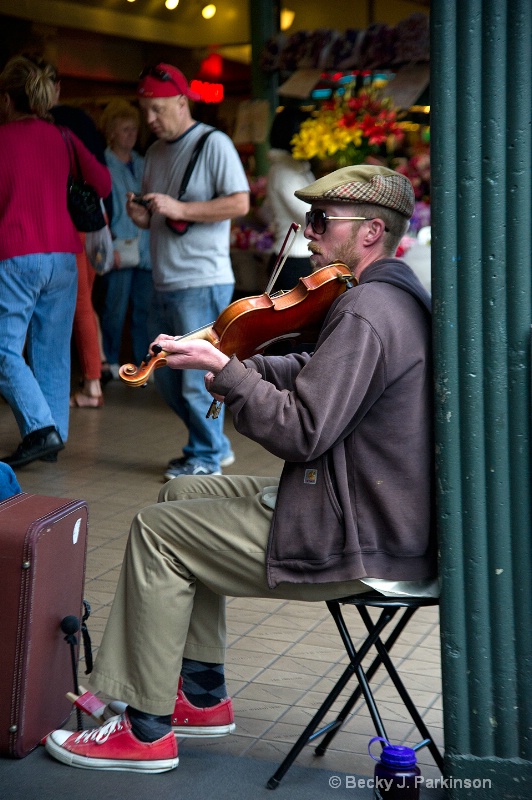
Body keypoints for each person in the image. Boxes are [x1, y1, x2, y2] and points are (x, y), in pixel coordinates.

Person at [44, 164, 437, 774]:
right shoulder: (386, 297)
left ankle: (144, 730)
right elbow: (319, 377)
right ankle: (201, 694)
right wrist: (225, 358)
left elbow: (303, 431)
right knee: (184, 494)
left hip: (363, 538)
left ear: (368, 233)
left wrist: (228, 374)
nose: (307, 232)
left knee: (156, 530)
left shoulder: (367, 313)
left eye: (321, 221)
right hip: (363, 506)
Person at [127, 63, 250, 481]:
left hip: (202, 280)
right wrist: (140, 216)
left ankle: (204, 457)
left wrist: (181, 209)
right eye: (145, 109)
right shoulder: (156, 152)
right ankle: (214, 444)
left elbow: (239, 203)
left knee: (197, 379)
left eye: (158, 109)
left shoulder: (214, 144)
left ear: (182, 102)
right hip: (162, 279)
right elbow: (155, 220)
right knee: (161, 376)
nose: (150, 120)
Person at [0, 55, 111, 467]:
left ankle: (39, 428)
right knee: (51, 350)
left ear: (7, 100)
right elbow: (102, 182)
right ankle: (53, 435)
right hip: (65, 256)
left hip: (15, 255)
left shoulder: (2, 139)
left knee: (4, 349)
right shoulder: (62, 136)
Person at [48, 64, 111, 409]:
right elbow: (103, 183)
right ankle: (92, 379)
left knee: (79, 306)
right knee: (84, 305)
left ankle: (91, 384)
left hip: (67, 226)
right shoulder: (79, 122)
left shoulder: (55, 126)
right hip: (90, 222)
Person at [98, 99, 152, 375]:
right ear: (112, 132)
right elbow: (101, 212)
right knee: (114, 311)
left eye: (134, 129)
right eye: (125, 130)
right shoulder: (103, 166)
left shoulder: (144, 164)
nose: (131, 134)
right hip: (119, 247)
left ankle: (144, 365)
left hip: (146, 248)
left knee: (144, 311)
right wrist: (108, 247)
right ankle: (109, 361)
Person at [266, 106, 315, 292]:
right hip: (292, 259)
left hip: (300, 257)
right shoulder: (284, 172)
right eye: (308, 132)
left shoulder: (296, 168)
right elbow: (309, 217)